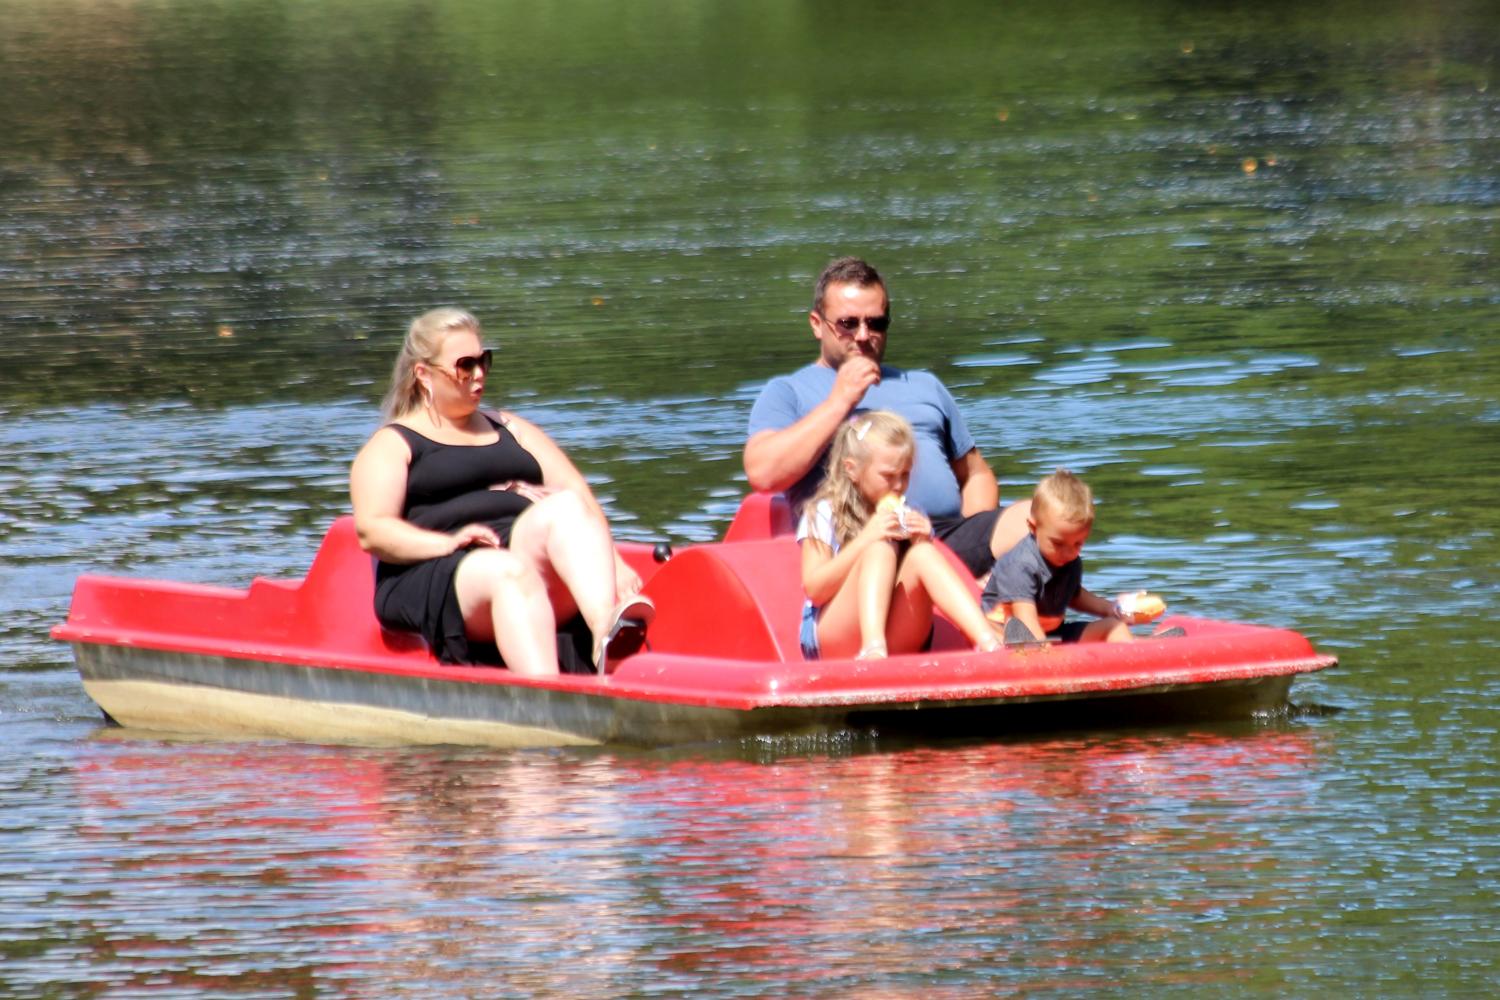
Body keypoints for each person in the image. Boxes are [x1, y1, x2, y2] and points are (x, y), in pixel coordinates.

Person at [349, 307, 652, 676]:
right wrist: (449, 543)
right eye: (464, 365)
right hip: (434, 568)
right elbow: (373, 530)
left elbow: (575, 490)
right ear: (423, 375)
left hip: (514, 547)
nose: (478, 375)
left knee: (566, 505)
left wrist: (614, 564)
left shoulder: (511, 426)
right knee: (510, 570)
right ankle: (547, 698)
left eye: (484, 361)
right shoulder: (393, 444)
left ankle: (605, 631)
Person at [744, 255, 1030, 578]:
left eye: (876, 323)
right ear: (817, 325)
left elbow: (976, 475)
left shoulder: (925, 386)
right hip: (866, 548)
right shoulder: (788, 392)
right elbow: (763, 473)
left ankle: (1011, 603)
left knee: (1037, 518)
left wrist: (971, 546)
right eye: (848, 324)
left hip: (942, 540)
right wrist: (840, 401)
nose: (864, 335)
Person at [797, 410, 1004, 660]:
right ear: (852, 469)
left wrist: (923, 540)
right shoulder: (823, 512)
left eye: (905, 475)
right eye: (888, 476)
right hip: (834, 635)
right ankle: (873, 647)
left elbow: (923, 572)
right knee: (879, 549)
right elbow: (815, 589)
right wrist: (867, 538)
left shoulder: (909, 510)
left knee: (923, 554)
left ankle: (987, 640)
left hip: (897, 632)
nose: (897, 485)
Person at [981, 469, 1169, 644]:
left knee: (1114, 627)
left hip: (1053, 633)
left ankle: (1140, 649)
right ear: (1033, 527)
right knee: (1005, 635)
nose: (1069, 553)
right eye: (1058, 543)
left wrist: (1110, 608)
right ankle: (1039, 654)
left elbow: (1074, 596)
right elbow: (1025, 619)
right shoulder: (1021, 565)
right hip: (1009, 633)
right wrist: (1044, 650)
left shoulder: (1068, 559)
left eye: (1078, 543)